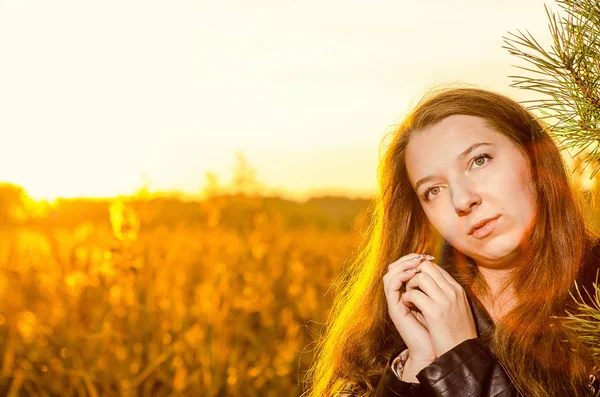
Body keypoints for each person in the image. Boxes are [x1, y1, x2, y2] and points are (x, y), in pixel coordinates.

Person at [303, 87, 600, 397]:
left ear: (535, 158)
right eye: (434, 190)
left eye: (479, 160)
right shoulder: (399, 329)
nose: (462, 200)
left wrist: (459, 359)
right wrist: (416, 368)